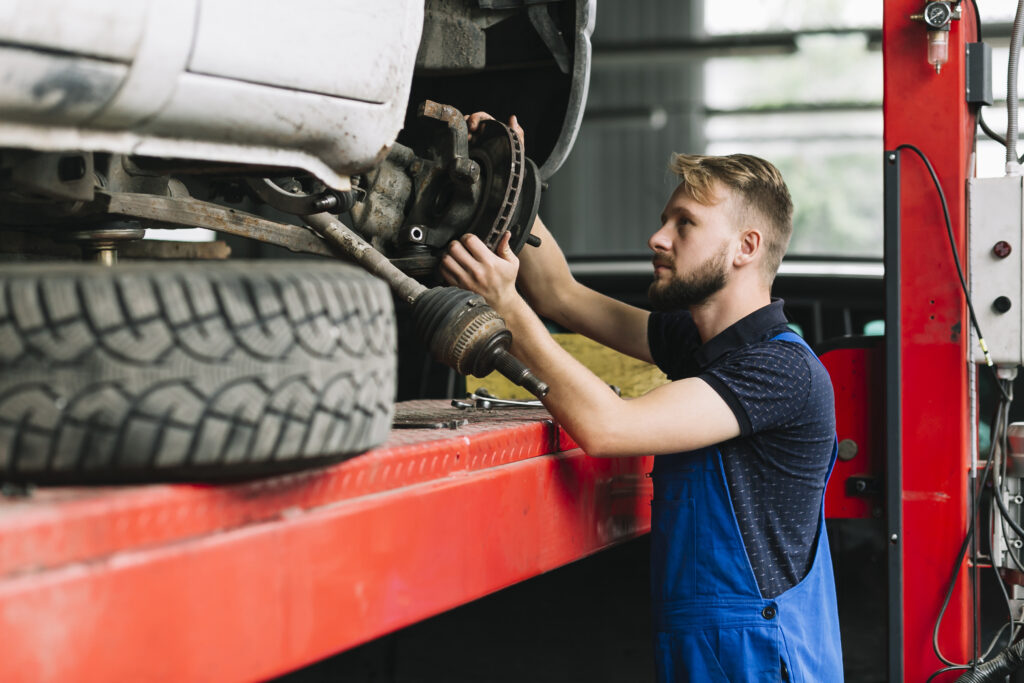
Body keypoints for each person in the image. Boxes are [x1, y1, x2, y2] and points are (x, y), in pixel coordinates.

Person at [441, 113, 843, 681]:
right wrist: (510, 182)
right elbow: (561, 294)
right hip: (705, 643)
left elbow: (611, 428)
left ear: (745, 247)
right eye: (664, 220)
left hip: (757, 656)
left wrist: (507, 309)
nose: (657, 237)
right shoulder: (703, 345)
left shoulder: (780, 370)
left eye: (685, 224)